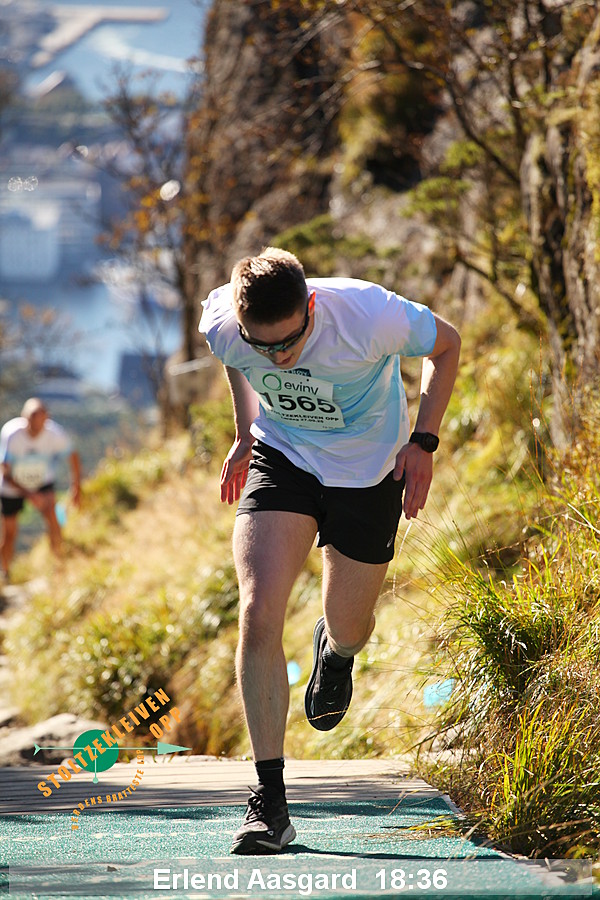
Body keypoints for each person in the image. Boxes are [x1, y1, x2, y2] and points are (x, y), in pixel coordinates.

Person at [198, 247, 461, 855]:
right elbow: (235, 359)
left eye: (290, 342)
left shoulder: (368, 314)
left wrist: (423, 441)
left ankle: (336, 651)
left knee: (350, 624)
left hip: (368, 473)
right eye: (262, 346)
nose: (277, 358)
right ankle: (269, 802)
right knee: (257, 611)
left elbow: (446, 346)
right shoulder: (223, 323)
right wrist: (244, 433)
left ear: (311, 306)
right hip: (283, 457)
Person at [0, 398, 81, 581]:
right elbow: (5, 471)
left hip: (42, 481)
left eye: (41, 419)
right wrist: (30, 495)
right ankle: (5, 573)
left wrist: (77, 486)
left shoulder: (55, 433)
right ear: (24, 418)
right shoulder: (12, 434)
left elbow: (73, 455)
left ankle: (59, 567)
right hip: (12, 486)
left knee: (53, 520)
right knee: (10, 532)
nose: (36, 425)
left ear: (47, 418)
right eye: (32, 419)